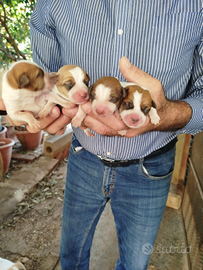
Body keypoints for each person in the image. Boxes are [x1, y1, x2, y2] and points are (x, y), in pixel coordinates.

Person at [2, 1, 203, 269]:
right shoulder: (50, 4)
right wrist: (21, 101)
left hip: (151, 163)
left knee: (134, 264)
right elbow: (43, 81)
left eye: (86, 82)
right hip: (83, 155)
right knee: (71, 256)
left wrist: (165, 115)